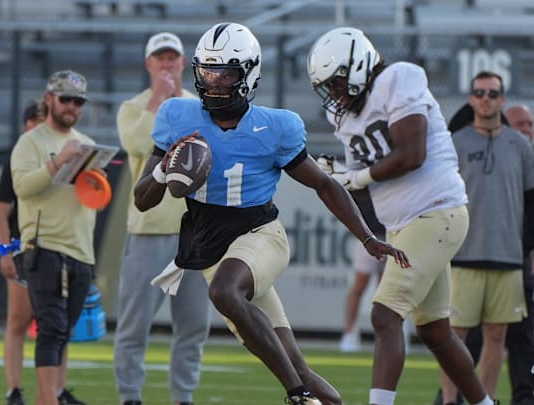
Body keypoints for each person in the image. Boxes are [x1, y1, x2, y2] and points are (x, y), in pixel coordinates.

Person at [134, 22, 409, 405]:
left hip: (260, 236)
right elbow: (142, 200)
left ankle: (296, 396)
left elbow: (325, 185)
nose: (214, 82)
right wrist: (165, 170)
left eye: (225, 73)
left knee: (225, 292)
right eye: (207, 71)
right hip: (210, 249)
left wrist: (366, 237)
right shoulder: (177, 116)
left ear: (249, 74)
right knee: (297, 365)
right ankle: (311, 392)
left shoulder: (274, 127)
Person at [306, 27, 496, 405]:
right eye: (330, 86)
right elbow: (363, 184)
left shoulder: (398, 78)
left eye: (339, 81)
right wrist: (340, 177)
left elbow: (412, 153)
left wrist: (355, 176)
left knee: (383, 315)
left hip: (436, 212)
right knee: (435, 331)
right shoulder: (344, 116)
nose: (337, 93)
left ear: (359, 65)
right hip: (404, 225)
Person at [113, 32, 211, 405]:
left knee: (193, 325)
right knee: (134, 323)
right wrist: (157, 99)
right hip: (149, 231)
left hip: (194, 233)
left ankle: (183, 396)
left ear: (184, 64)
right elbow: (138, 144)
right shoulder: (133, 107)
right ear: (148, 65)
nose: (167, 65)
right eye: (160, 59)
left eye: (173, 59)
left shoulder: (197, 106)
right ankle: (130, 395)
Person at [438, 71, 534, 404]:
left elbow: (530, 201)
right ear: (471, 98)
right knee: (454, 336)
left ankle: (486, 400)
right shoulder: (456, 142)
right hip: (463, 255)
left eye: (493, 93)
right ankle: (449, 401)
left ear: (502, 99)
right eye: (479, 92)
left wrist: (526, 249)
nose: (486, 99)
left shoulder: (520, 145)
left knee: (497, 337)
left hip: (508, 258)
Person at [10, 70, 98, 405]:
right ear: (49, 99)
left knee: (63, 333)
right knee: (50, 329)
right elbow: (22, 187)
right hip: (44, 246)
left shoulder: (87, 144)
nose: (72, 107)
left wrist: (94, 180)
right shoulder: (30, 142)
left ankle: (48, 397)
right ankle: (48, 400)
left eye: (78, 102)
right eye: (66, 99)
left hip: (79, 250)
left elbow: (91, 203)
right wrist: (58, 162)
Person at [0, 100, 86, 405]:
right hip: (27, 245)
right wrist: (5, 250)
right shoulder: (21, 155)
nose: (37, 128)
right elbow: (1, 211)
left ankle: (55, 390)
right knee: (19, 319)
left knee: (57, 324)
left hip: (55, 244)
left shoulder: (59, 154)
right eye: (32, 122)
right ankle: (14, 389)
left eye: (40, 121)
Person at [338, 196, 385, 353]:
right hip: (368, 236)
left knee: (387, 289)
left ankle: (388, 334)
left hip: (394, 233)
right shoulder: (364, 176)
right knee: (360, 284)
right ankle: (349, 333)